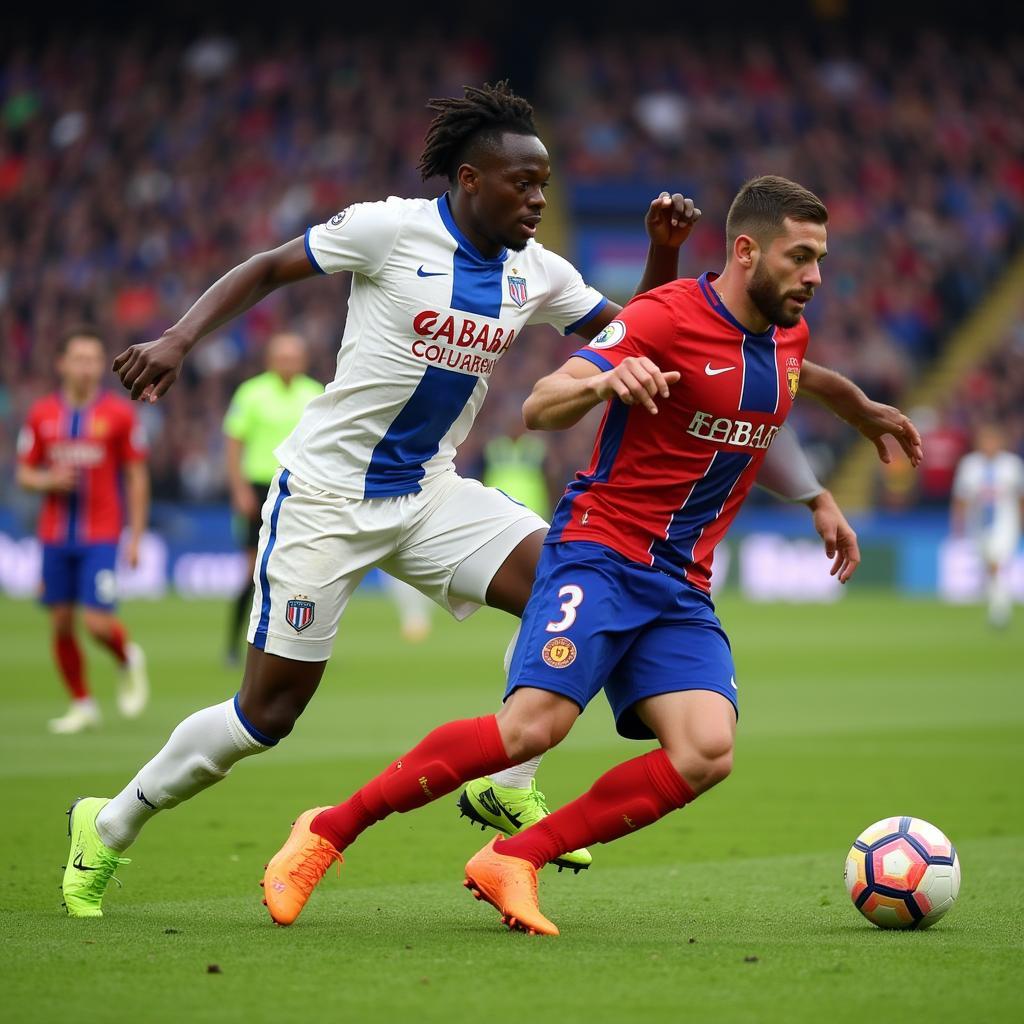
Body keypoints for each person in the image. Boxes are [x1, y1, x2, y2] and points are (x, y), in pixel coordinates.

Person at [62, 84, 918, 917]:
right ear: (470, 179)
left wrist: (842, 399)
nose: (540, 198)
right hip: (326, 498)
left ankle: (509, 788)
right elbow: (268, 267)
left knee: (575, 583)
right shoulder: (388, 229)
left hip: (431, 494)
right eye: (524, 182)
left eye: (546, 183)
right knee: (267, 714)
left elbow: (665, 340)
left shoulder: (536, 273)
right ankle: (108, 823)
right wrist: (178, 338)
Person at [257, 175, 878, 935]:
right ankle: (327, 832)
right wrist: (606, 380)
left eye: (820, 258)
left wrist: (820, 491)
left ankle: (513, 858)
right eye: (801, 257)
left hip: (680, 583)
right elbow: (541, 402)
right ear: (746, 251)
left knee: (707, 751)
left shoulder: (787, 336)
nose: (815, 275)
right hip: (601, 554)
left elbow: (779, 399)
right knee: (531, 730)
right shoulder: (667, 315)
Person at [16, 327, 150, 734]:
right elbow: (24, 473)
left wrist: (137, 535)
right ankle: (82, 703)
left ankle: (127, 655)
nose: (87, 366)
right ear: (62, 364)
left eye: (93, 359)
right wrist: (46, 481)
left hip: (101, 534)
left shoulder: (119, 414)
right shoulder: (41, 414)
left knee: (96, 624)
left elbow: (136, 476)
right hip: (55, 535)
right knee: (59, 621)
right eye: (79, 358)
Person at [223, 332, 324, 663]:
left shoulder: (315, 393)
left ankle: (298, 645)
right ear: (270, 360)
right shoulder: (252, 393)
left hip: (301, 488)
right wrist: (238, 489)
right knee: (254, 570)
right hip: (259, 487)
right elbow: (234, 444)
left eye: (294, 357)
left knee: (304, 572)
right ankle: (234, 644)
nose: (288, 363)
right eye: (282, 357)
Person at [951, 423, 1024, 627]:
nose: (988, 445)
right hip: (979, 524)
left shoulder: (1012, 465)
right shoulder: (970, 465)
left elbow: (1020, 497)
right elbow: (961, 497)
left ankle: (999, 611)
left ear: (1001, 442)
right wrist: (958, 523)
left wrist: (1020, 522)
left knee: (996, 561)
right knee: (988, 565)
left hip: (1005, 523)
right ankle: (997, 601)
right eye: (985, 440)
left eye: (992, 440)